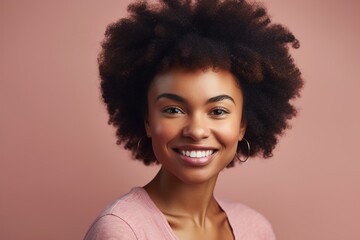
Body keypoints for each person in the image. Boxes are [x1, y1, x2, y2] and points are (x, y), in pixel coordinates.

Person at [84, 0, 303, 239]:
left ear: (242, 124)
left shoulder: (255, 229)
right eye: (173, 110)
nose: (197, 131)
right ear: (147, 119)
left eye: (218, 111)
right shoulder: (123, 231)